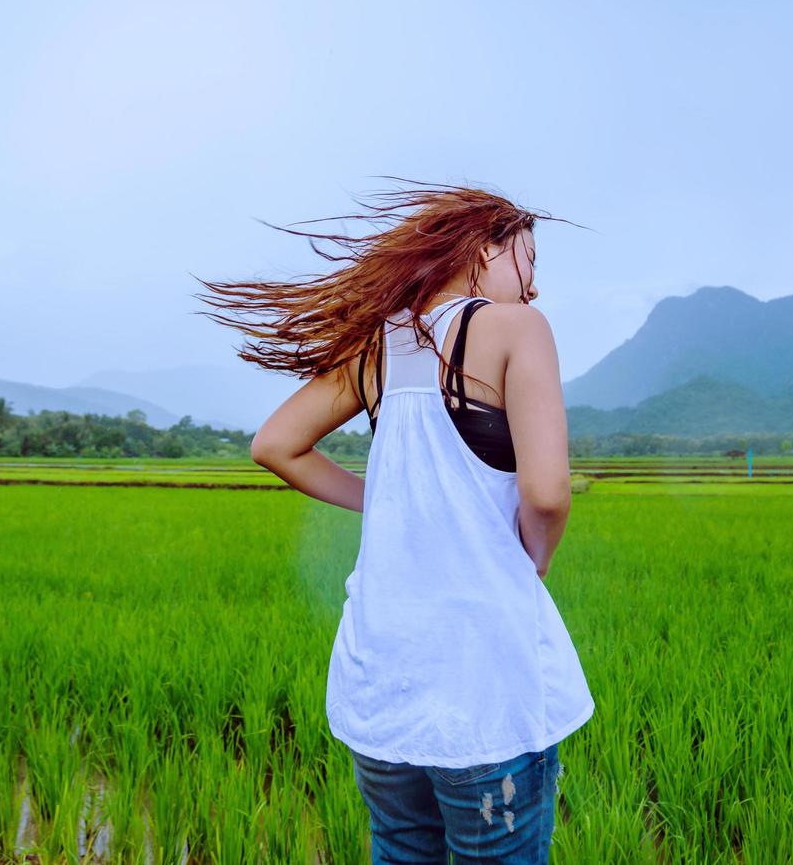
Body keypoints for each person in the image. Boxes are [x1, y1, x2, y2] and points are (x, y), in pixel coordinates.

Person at [194, 179, 595, 863]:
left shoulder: (383, 344)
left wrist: (379, 502)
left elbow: (276, 445)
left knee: (402, 853)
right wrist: (538, 555)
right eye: (529, 261)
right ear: (484, 248)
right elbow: (549, 493)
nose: (533, 289)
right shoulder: (516, 328)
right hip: (481, 687)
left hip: (380, 684)